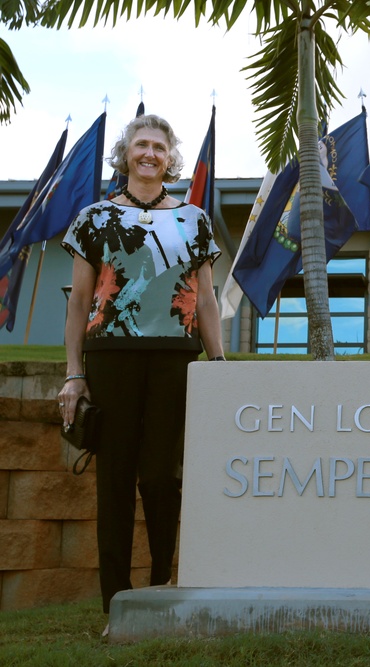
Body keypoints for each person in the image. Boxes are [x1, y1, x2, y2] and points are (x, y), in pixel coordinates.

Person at [56, 114, 225, 623]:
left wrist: (217, 363)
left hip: (175, 356)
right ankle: (115, 602)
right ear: (125, 154)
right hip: (111, 355)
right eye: (140, 145)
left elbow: (208, 299)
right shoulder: (94, 218)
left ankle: (160, 591)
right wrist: (73, 373)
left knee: (160, 477)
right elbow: (80, 301)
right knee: (116, 478)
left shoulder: (194, 219)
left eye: (158, 146)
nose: (149, 153)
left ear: (169, 156)